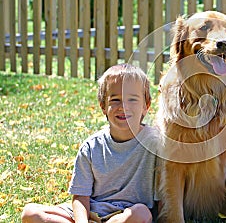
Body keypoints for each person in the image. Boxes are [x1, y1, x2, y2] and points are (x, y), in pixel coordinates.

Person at [21, 63, 160, 223]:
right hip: (91, 213)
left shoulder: (156, 144)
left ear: (146, 106)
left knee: (141, 214)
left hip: (126, 215)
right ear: (103, 106)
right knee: (30, 213)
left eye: (132, 99)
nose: (123, 107)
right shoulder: (91, 147)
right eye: (115, 100)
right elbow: (80, 196)